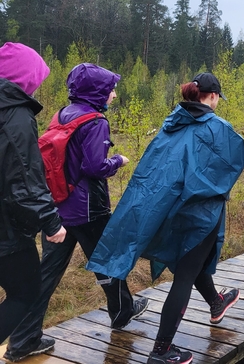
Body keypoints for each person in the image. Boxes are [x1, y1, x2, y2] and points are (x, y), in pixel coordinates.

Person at [87, 73, 244, 364]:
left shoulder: (171, 123)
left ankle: (216, 302)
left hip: (169, 210)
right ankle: (162, 350)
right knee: (186, 273)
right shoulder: (218, 128)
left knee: (191, 262)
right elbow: (234, 163)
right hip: (201, 213)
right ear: (212, 96)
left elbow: (154, 170)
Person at [5, 62, 145, 362]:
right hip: (89, 208)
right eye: (110, 89)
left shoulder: (61, 115)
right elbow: (93, 167)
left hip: (57, 207)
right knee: (108, 260)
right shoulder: (95, 122)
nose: (114, 95)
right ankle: (122, 312)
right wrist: (118, 161)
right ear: (97, 91)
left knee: (46, 273)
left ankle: (23, 339)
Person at [0, 43, 67, 353]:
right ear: (23, 77)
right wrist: (51, 223)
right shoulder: (14, 115)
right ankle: (22, 345)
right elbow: (24, 178)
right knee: (26, 290)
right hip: (6, 230)